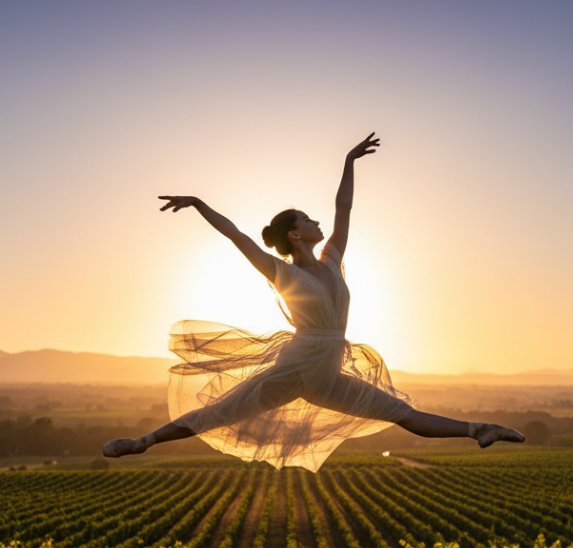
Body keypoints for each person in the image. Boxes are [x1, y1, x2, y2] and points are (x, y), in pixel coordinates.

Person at [103, 133, 525, 471]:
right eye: (307, 219)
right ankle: (143, 442)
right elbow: (236, 235)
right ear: (294, 234)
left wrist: (349, 161)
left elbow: (343, 207)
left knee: (402, 414)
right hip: (299, 363)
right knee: (221, 412)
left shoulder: (333, 260)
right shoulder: (282, 272)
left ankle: (480, 428)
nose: (317, 221)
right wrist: (198, 204)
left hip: (327, 373)